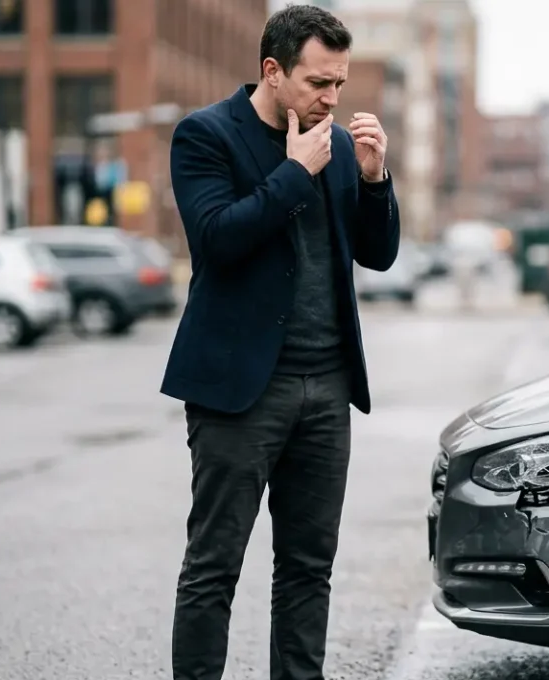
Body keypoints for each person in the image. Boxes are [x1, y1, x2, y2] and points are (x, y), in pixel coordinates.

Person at [160, 5, 400, 680]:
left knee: (307, 569)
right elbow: (217, 240)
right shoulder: (206, 136)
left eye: (339, 85)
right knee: (214, 565)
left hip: (326, 387)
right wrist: (294, 173)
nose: (331, 98)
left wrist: (377, 179)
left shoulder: (342, 147)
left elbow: (377, 256)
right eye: (318, 83)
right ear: (273, 69)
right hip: (239, 391)